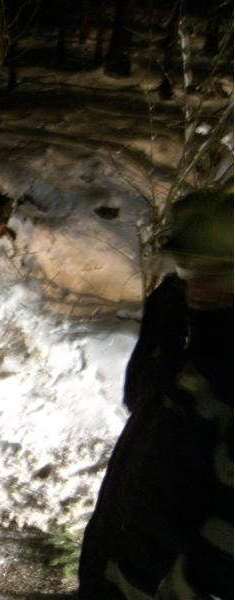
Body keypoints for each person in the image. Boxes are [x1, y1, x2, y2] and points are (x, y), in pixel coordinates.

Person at [78, 187, 233, 599]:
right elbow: (138, 397)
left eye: (217, 270)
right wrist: (165, 322)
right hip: (120, 567)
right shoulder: (190, 334)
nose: (198, 284)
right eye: (188, 268)